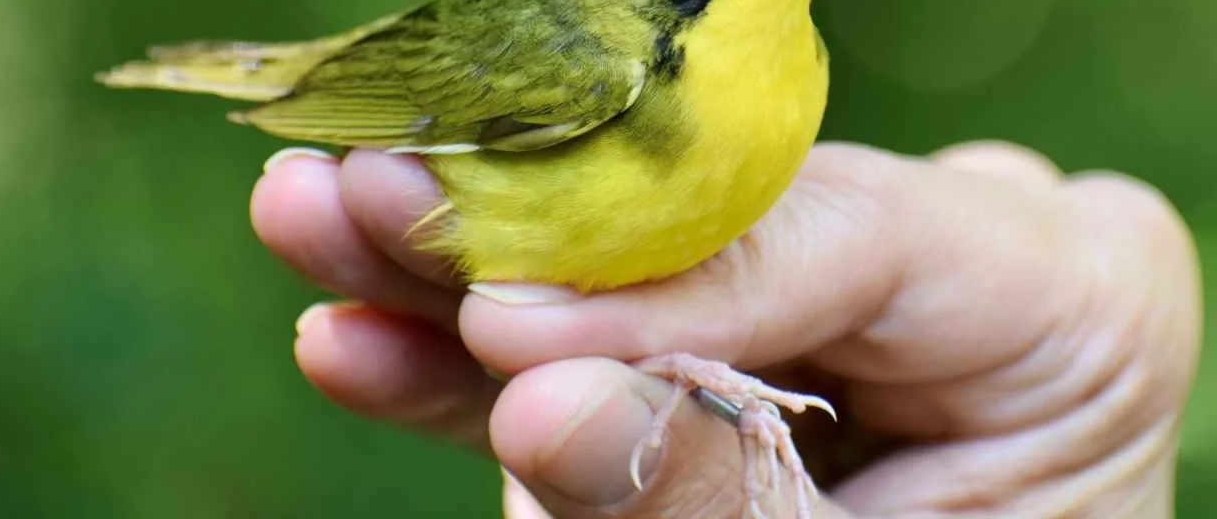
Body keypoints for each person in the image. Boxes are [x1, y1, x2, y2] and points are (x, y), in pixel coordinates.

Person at [251, 140, 1201, 518]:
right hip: (539, 315)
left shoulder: (787, 75)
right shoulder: (620, 65)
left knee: (566, 350)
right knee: (554, 346)